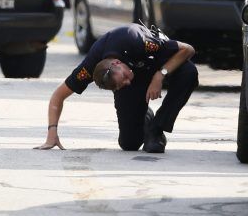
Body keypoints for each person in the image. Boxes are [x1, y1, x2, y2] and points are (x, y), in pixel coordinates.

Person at [36, 23, 196, 153]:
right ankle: (144, 116)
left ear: (117, 63)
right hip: (139, 79)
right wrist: (52, 133)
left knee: (188, 72)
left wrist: (160, 75)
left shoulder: (137, 40)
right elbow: (58, 95)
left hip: (158, 67)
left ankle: (157, 128)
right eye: (120, 86)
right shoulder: (90, 67)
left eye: (124, 77)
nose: (126, 82)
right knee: (129, 144)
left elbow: (188, 49)